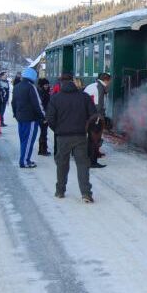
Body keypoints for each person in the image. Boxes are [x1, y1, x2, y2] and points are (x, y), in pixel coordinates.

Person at [46, 72, 97, 203]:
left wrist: (57, 130)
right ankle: (86, 193)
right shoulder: (84, 97)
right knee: (82, 165)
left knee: (62, 164)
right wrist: (86, 129)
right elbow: (93, 116)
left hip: (62, 137)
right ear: (73, 81)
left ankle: (60, 191)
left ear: (61, 82)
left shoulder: (55, 98)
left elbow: (50, 118)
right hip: (80, 136)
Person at [12, 68, 45, 168]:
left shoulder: (17, 86)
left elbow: (13, 102)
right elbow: (37, 103)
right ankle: (25, 161)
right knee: (28, 140)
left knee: (23, 140)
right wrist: (43, 115)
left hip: (20, 117)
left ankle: (24, 159)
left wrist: (15, 114)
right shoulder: (31, 87)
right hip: (30, 118)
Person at [84, 73, 111, 168]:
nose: (109, 84)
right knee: (94, 139)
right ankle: (92, 162)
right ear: (106, 80)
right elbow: (98, 106)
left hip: (89, 116)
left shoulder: (93, 85)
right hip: (95, 118)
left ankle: (89, 158)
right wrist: (100, 118)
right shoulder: (99, 88)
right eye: (109, 81)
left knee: (91, 139)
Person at [37, 78, 52, 156]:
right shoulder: (42, 94)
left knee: (43, 133)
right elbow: (42, 106)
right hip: (43, 116)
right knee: (43, 133)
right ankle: (43, 150)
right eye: (45, 85)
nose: (47, 86)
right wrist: (45, 117)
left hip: (44, 115)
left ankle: (42, 149)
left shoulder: (44, 92)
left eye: (47, 85)